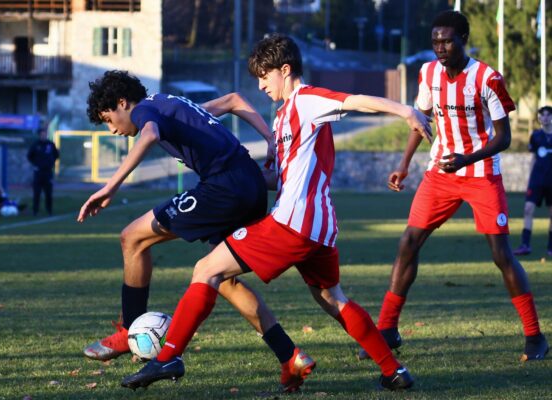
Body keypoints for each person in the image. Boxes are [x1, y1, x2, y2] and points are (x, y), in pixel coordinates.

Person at [121, 34, 433, 391]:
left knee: (206, 269)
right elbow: (277, 178)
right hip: (318, 229)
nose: (261, 85)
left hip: (293, 224)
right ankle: (393, 370)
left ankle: (168, 357)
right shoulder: (284, 119)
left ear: (285, 70)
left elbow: (356, 100)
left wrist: (405, 110)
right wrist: (237, 175)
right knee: (332, 298)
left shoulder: (307, 100)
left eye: (264, 76)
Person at [80, 70, 314, 393]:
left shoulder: (146, 109)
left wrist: (110, 186)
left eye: (109, 120)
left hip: (223, 188)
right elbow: (234, 100)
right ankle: (290, 357)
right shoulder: (174, 104)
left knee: (132, 237)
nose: (113, 130)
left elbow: (148, 134)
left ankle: (128, 330)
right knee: (225, 280)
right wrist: (270, 138)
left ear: (123, 103)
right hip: (251, 186)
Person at [358, 10, 548, 363]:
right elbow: (420, 121)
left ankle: (535, 336)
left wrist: (468, 158)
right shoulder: (428, 73)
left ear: (463, 39)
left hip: (481, 175)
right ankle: (387, 330)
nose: (440, 47)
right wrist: (403, 165)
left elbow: (504, 137)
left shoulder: (488, 78)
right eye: (435, 41)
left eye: (447, 40)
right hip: (440, 174)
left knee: (501, 254)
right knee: (408, 243)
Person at [514, 106, 552, 256]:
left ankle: (550, 247)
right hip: (537, 180)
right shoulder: (535, 136)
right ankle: (525, 245)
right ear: (539, 118)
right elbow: (533, 158)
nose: (545, 118)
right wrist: (529, 178)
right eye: (542, 116)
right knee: (528, 209)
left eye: (548, 115)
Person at [27, 128, 59, 216]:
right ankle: (35, 211)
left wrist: (50, 163)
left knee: (48, 193)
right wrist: (36, 164)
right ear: (39, 135)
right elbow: (29, 156)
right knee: (36, 193)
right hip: (38, 173)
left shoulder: (50, 144)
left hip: (48, 173)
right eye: (42, 134)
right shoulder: (35, 144)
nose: (43, 135)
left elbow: (56, 155)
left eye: (45, 134)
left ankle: (49, 210)